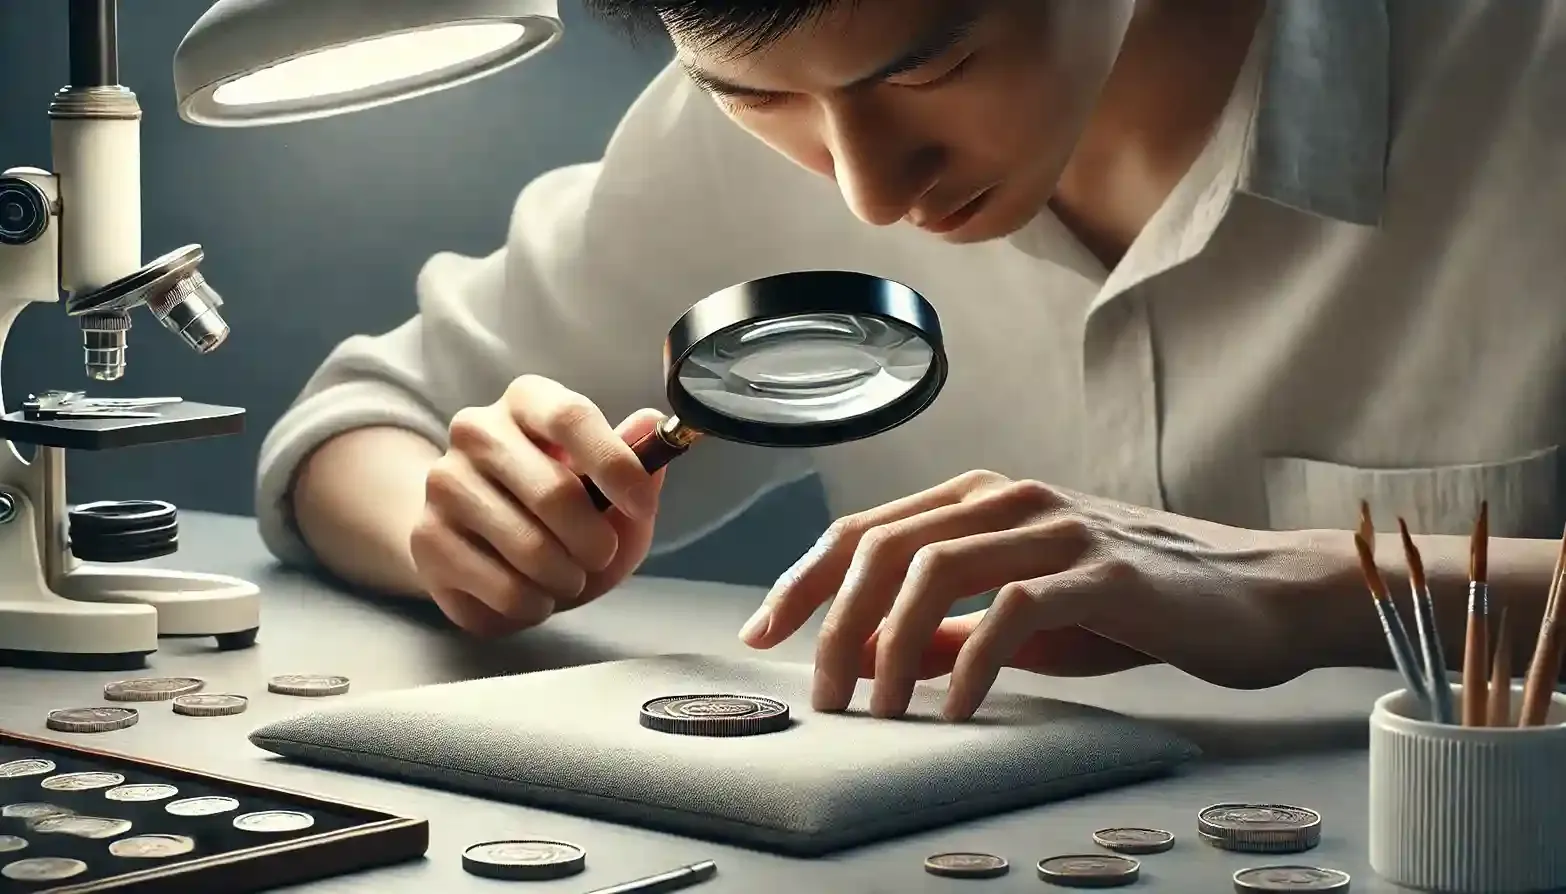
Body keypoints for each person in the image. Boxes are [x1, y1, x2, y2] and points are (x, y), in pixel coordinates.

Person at [258, 0, 1566, 721]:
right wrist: (461, 522)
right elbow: (360, 425)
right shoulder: (759, 100)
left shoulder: (1528, 69)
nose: (870, 187)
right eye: (755, 99)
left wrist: (1312, 589)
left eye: (933, 63)